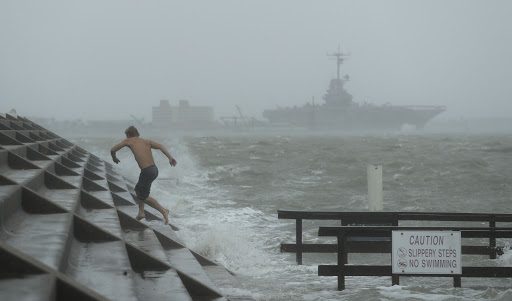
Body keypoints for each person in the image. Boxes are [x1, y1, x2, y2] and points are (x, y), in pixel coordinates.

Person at [110, 126, 177, 224]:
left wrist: (114, 158)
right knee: (141, 192)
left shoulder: (128, 141)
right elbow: (161, 146)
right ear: (137, 134)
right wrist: (170, 158)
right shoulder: (147, 141)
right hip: (154, 170)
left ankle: (163, 211)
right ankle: (141, 212)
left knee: (141, 194)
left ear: (128, 135)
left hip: (146, 171)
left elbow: (113, 149)